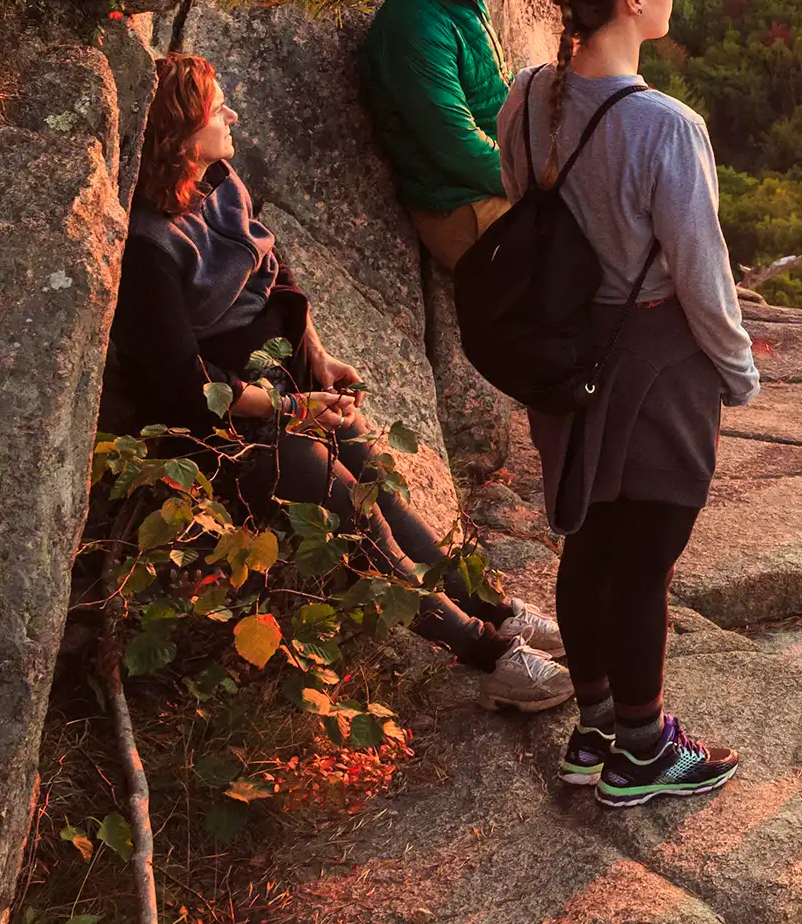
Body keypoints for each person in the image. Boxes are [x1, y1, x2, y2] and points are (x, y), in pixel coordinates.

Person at [108, 53, 572, 711]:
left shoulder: (218, 182)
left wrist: (318, 361)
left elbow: (278, 270)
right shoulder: (151, 248)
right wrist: (297, 405)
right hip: (228, 432)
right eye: (218, 109)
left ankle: (491, 606)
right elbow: (187, 386)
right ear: (182, 131)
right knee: (347, 500)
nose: (232, 115)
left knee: (378, 478)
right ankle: (484, 650)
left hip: (295, 388)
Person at [500, 0, 761, 809]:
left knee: (589, 537)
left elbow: (527, 216)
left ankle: (596, 724)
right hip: (652, 360)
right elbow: (701, 271)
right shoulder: (667, 127)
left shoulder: (527, 98)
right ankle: (645, 750)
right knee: (645, 554)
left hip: (564, 355)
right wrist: (738, 369)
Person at [360, 0, 512, 274]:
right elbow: (454, 142)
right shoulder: (415, 23)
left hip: (492, 180)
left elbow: (495, 91)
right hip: (459, 205)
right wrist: (530, 175)